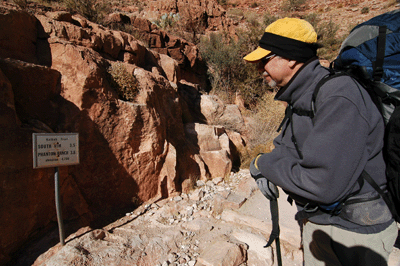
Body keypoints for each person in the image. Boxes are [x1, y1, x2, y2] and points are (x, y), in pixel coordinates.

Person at [244, 17, 398, 265]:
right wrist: (270, 164)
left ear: (291, 58)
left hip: (355, 235)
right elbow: (285, 148)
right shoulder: (302, 95)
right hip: (323, 224)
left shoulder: (338, 95)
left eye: (265, 60)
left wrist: (264, 165)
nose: (259, 68)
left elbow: (321, 184)